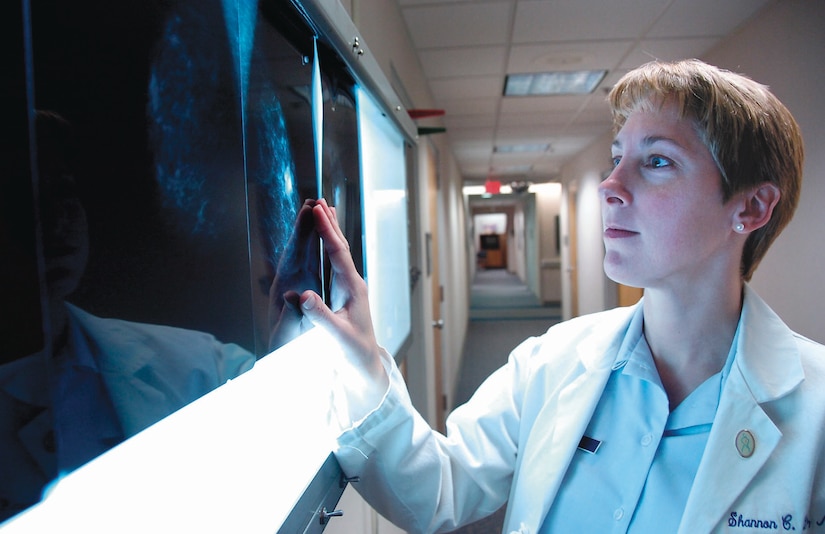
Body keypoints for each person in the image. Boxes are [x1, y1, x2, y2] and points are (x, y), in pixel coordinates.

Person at [296, 59, 825, 533]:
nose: (609, 184)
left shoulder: (816, 414)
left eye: (657, 161)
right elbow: (438, 492)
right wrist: (366, 363)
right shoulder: (551, 361)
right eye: (617, 158)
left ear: (752, 208)